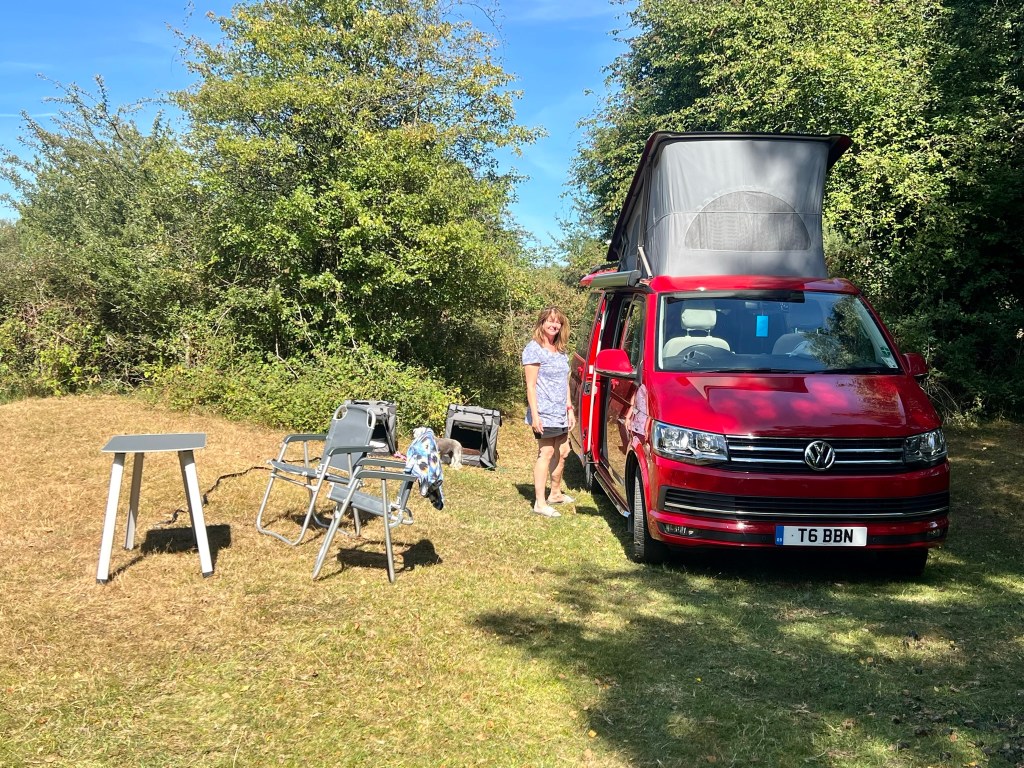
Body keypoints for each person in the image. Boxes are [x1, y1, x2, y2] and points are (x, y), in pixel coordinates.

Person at [522, 306, 576, 517]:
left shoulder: (560, 350)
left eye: (558, 322)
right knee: (546, 453)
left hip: (560, 412)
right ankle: (540, 503)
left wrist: (569, 409)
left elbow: (564, 382)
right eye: (550, 321)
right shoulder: (534, 349)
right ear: (542, 323)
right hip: (544, 412)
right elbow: (530, 386)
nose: (554, 325)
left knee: (563, 452)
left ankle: (555, 493)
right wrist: (535, 416)